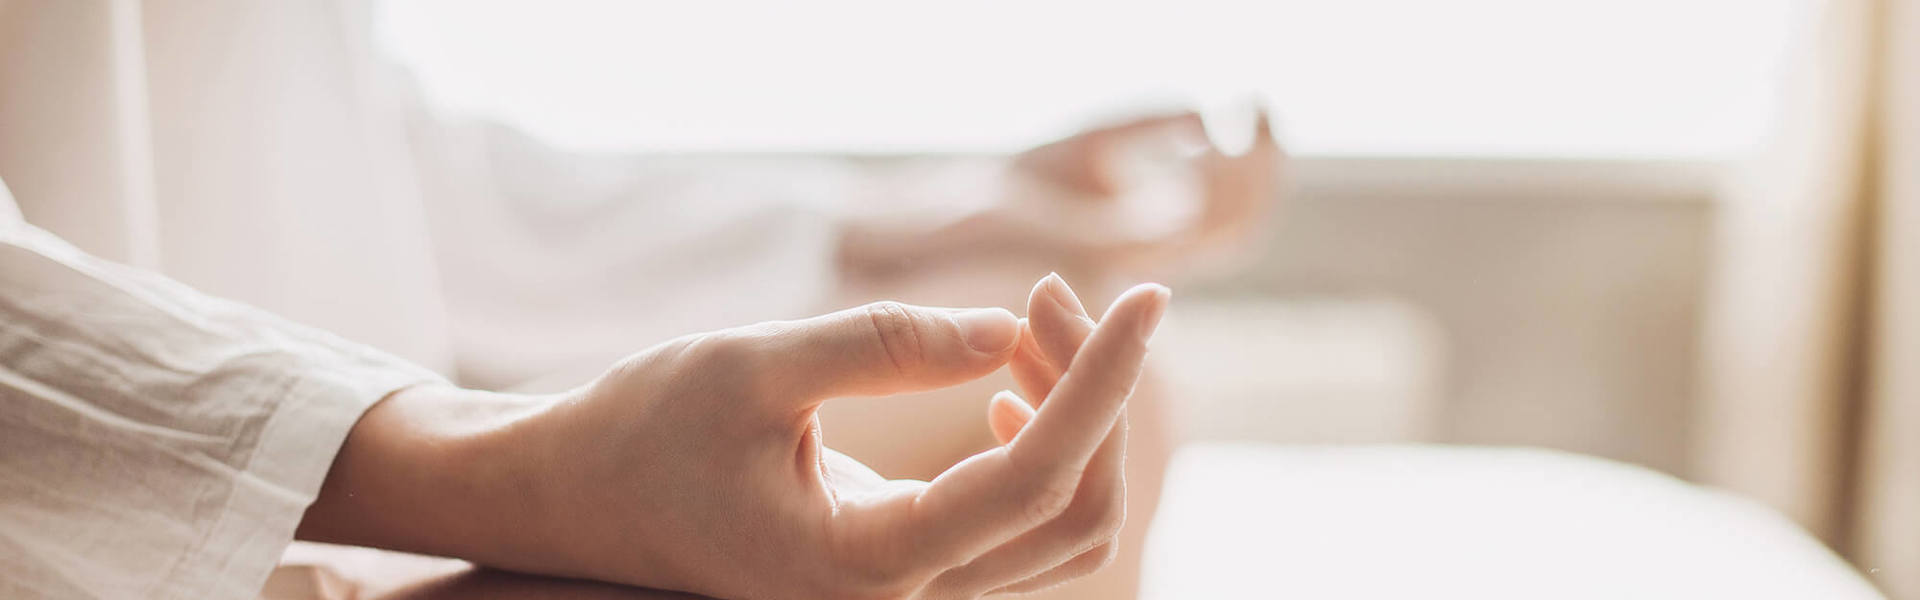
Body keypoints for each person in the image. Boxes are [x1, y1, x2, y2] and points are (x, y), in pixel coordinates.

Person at [0, 1, 1283, 598]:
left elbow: (322, 137)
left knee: (1062, 422)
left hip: (283, 481)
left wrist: (910, 221)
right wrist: (504, 474)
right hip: (110, 530)